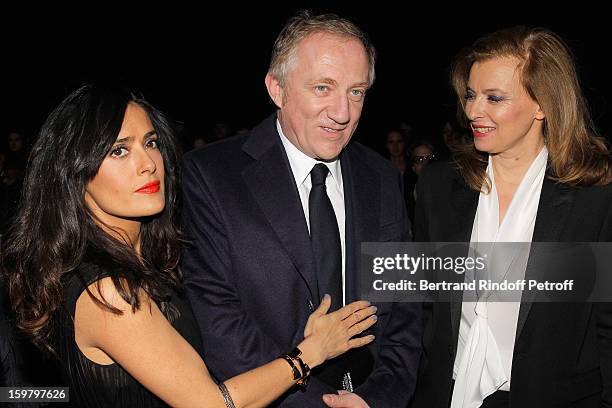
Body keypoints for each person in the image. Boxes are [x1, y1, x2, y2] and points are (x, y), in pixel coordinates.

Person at [0, 83, 378, 408]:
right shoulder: (108, 290)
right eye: (119, 150)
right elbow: (212, 403)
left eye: (150, 143)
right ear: (75, 172)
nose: (148, 163)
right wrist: (311, 353)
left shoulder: (138, 263)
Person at [181, 11, 422, 408]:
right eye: (323, 88)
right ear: (277, 89)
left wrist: (376, 398)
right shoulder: (211, 176)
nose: (343, 113)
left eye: (356, 91)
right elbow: (220, 324)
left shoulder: (379, 175)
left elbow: (406, 310)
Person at [411, 27, 612, 407]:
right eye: (471, 95)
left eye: (494, 97)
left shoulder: (595, 196)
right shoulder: (439, 185)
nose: (473, 111)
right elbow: (423, 304)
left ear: (543, 104)